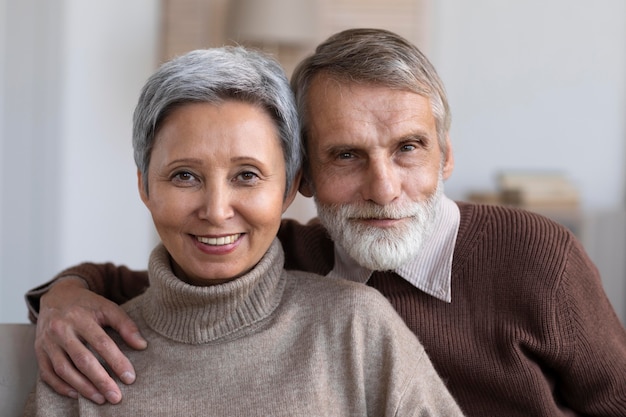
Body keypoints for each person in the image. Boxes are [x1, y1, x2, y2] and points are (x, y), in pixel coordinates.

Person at [26, 28, 626, 416]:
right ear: (301, 180)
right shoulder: (279, 255)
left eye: (409, 148)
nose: (384, 187)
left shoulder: (536, 256)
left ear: (446, 155)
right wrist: (65, 296)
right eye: (346, 155)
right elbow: (169, 302)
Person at [23, 46, 464, 416]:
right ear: (144, 186)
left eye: (247, 175)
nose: (216, 211)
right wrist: (61, 293)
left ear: (291, 187)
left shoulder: (356, 327)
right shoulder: (82, 356)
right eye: (184, 176)